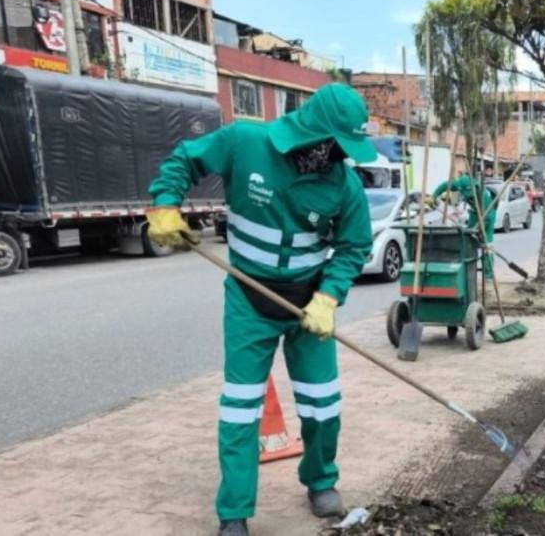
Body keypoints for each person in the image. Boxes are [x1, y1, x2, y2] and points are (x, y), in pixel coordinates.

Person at [145, 83, 377, 536]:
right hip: (250, 302)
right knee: (240, 408)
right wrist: (166, 204)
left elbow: (354, 247)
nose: (339, 156)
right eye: (336, 145)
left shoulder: (344, 185)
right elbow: (185, 159)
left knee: (322, 404)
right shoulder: (245, 144)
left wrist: (328, 298)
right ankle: (234, 510)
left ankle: (320, 480)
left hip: (309, 305)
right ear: (314, 132)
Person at [431, 174, 496, 279]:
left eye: (471, 195)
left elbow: (487, 218)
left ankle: (488, 274)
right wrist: (434, 196)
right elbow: (444, 186)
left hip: (487, 215)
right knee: (467, 237)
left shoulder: (482, 195)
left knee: (487, 246)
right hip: (474, 213)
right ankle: (467, 265)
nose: (469, 197)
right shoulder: (458, 184)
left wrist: (479, 229)